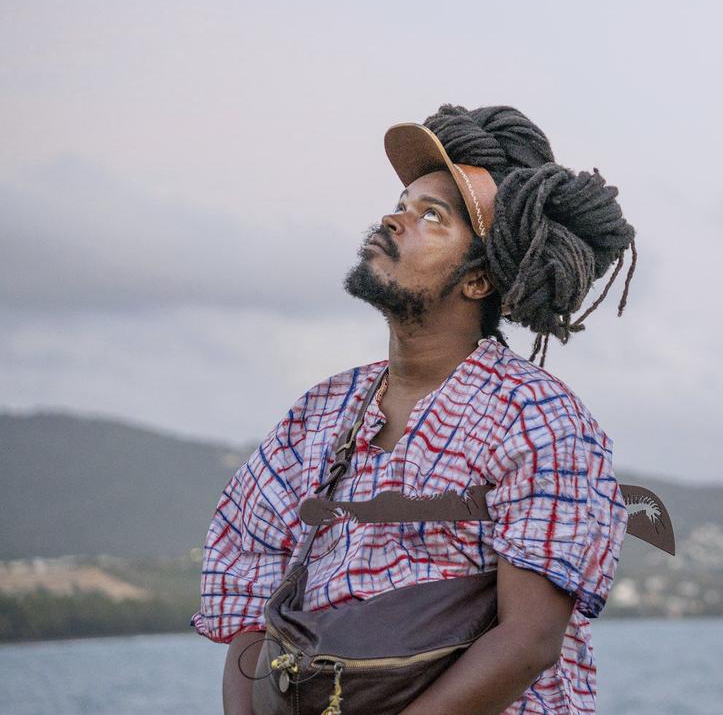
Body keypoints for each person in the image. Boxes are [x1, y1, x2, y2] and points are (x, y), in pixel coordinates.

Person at [190, 104, 639, 715]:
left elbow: (528, 641)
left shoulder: (536, 415)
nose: (394, 219)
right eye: (402, 202)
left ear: (478, 281)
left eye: (432, 216)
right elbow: (250, 608)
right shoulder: (318, 415)